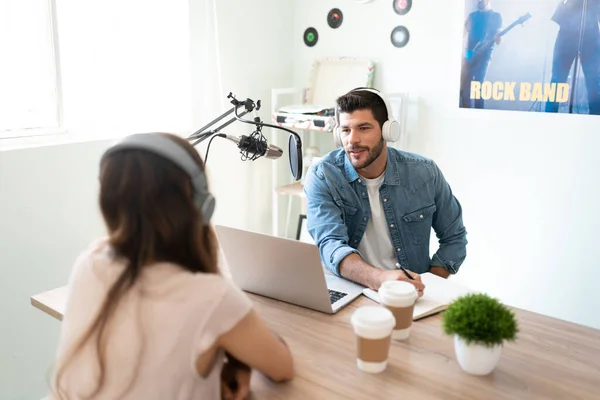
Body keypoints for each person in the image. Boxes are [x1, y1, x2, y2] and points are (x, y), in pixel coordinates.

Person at [50, 133, 294, 400]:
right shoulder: (210, 295)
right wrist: (240, 356)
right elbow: (281, 367)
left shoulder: (89, 262)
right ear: (202, 206)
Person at [304, 88, 467, 295]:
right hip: (350, 290)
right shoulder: (323, 176)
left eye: (363, 128)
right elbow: (330, 245)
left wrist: (428, 284)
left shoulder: (425, 173)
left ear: (387, 131)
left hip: (408, 295)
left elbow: (455, 238)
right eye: (345, 130)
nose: (352, 140)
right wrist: (379, 279)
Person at [545, 0, 600, 115]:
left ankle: (596, 121)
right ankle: (549, 117)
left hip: (590, 35)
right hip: (567, 33)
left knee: (593, 81)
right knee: (557, 80)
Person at [460, 0, 503, 109]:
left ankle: (479, 113)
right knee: (464, 88)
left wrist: (498, 38)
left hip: (484, 55)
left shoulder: (496, 16)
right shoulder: (472, 16)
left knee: (478, 85)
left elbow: (499, 39)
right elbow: (462, 33)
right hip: (469, 54)